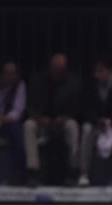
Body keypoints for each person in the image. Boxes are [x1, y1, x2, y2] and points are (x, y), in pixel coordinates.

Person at [24, 52, 83, 186]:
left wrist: (65, 117)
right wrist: (39, 118)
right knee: (28, 125)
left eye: (61, 70)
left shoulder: (73, 83)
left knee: (73, 126)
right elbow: (29, 106)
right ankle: (33, 170)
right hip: (41, 121)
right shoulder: (38, 81)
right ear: (50, 67)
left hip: (63, 121)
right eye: (56, 69)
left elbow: (78, 108)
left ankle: (73, 169)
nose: (58, 73)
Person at [79, 55, 112, 187]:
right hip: (97, 122)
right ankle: (83, 174)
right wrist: (97, 120)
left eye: (101, 71)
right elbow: (85, 108)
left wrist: (111, 121)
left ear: (109, 71)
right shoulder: (90, 84)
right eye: (96, 72)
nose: (97, 75)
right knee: (86, 129)